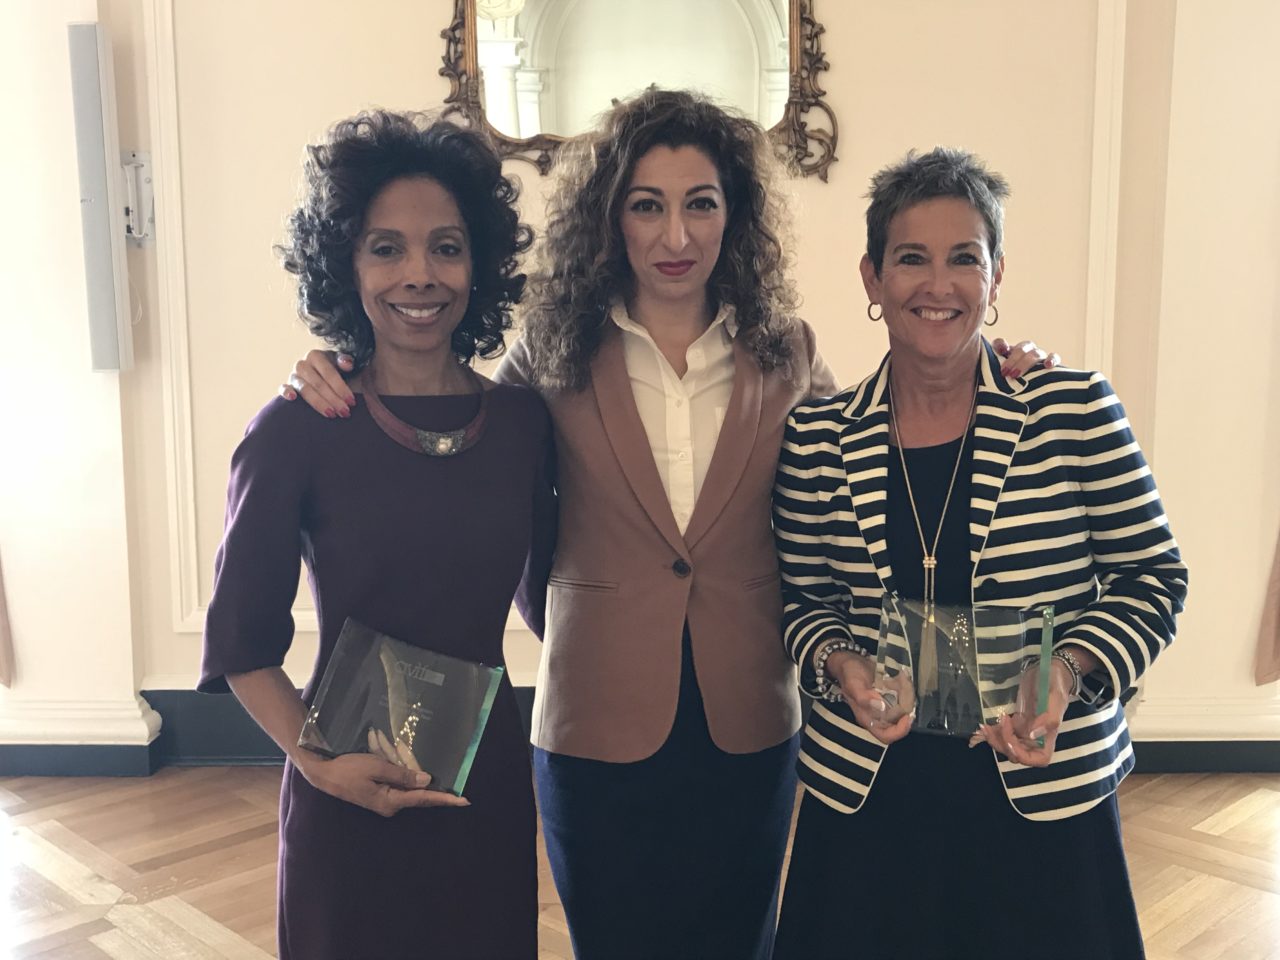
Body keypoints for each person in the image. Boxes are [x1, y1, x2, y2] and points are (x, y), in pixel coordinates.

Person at [282, 90, 1055, 959]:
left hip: (750, 719)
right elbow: (454, 429)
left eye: (701, 204)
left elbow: (877, 439)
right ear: (613, 218)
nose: (675, 236)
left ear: (736, 216)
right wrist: (339, 362)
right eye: (647, 205)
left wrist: (988, 360)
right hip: (593, 721)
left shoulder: (785, 349)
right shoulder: (553, 347)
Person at [770, 147, 1188, 960]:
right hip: (868, 792)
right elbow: (801, 600)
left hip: (1038, 781)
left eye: (965, 258)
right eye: (911, 259)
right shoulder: (818, 436)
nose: (939, 285)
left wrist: (1066, 670)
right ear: (871, 278)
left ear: (995, 278)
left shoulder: (1073, 411)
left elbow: (1154, 577)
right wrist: (839, 665)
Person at [199, 110, 553, 960]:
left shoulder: (522, 425)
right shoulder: (297, 430)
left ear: (481, 263)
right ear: (344, 264)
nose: (419, 275)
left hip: (486, 781)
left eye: (446, 246)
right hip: (344, 782)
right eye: (385, 247)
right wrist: (316, 764)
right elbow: (241, 644)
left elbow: (556, 599)